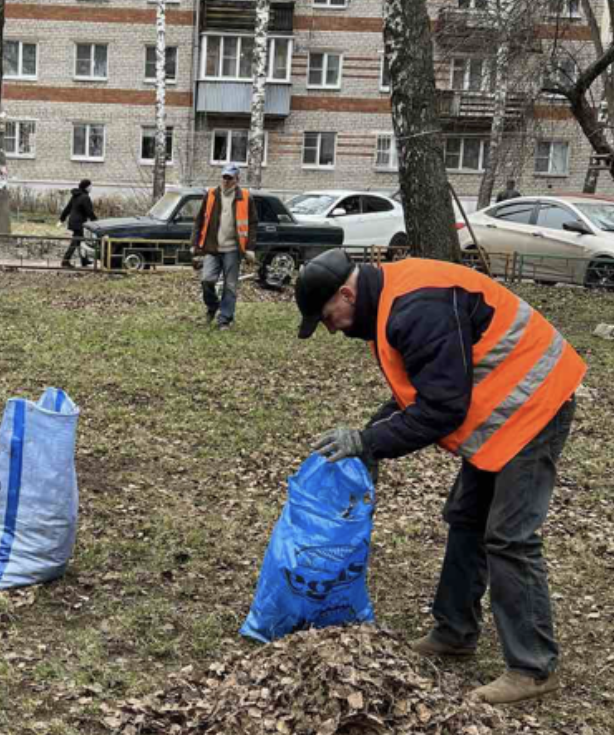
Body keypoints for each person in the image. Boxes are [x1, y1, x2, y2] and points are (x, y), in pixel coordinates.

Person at [295, 249, 587, 706]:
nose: (331, 328)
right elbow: (425, 388)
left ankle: (533, 667)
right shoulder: (390, 303)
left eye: (327, 316)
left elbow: (442, 409)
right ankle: (454, 631)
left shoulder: (415, 307)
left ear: (346, 293)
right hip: (500, 411)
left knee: (510, 537)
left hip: (536, 404)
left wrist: (371, 443)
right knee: (467, 518)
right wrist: (371, 435)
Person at [190, 163, 259, 330]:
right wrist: (194, 243)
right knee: (207, 280)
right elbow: (199, 221)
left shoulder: (245, 197)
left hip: (233, 250)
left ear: (237, 179)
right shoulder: (211, 194)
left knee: (230, 285)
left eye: (230, 178)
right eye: (224, 177)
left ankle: (224, 320)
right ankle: (213, 307)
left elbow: (253, 223)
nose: (226, 181)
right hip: (213, 248)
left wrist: (250, 247)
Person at [59, 179, 97, 268]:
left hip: (74, 221)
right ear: (86, 187)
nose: (91, 188)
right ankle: (65, 261)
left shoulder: (75, 196)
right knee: (75, 242)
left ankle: (84, 260)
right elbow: (89, 212)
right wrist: (96, 222)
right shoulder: (85, 197)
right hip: (79, 223)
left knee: (80, 242)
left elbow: (67, 208)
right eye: (90, 186)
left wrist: (62, 219)